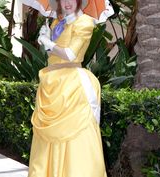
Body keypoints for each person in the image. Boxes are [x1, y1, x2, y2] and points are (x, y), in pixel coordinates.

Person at [28, 0, 107, 176]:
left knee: (76, 137)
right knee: (48, 138)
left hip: (72, 85)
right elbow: (53, 56)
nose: (67, 2)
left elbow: (71, 54)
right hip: (52, 83)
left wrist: (49, 42)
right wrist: (47, 38)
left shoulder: (84, 22)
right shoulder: (57, 23)